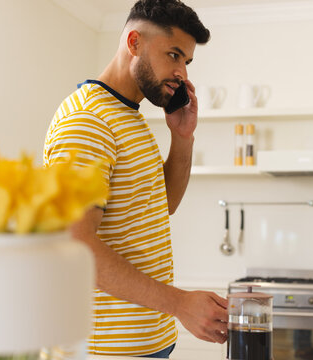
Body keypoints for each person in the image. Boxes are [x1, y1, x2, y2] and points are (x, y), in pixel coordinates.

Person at [43, 0, 227, 358]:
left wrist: (183, 136)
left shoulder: (128, 116)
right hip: (106, 347)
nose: (183, 75)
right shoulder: (87, 121)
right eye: (174, 54)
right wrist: (179, 304)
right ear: (134, 43)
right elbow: (76, 245)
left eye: (186, 62)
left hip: (148, 339)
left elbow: (163, 205)